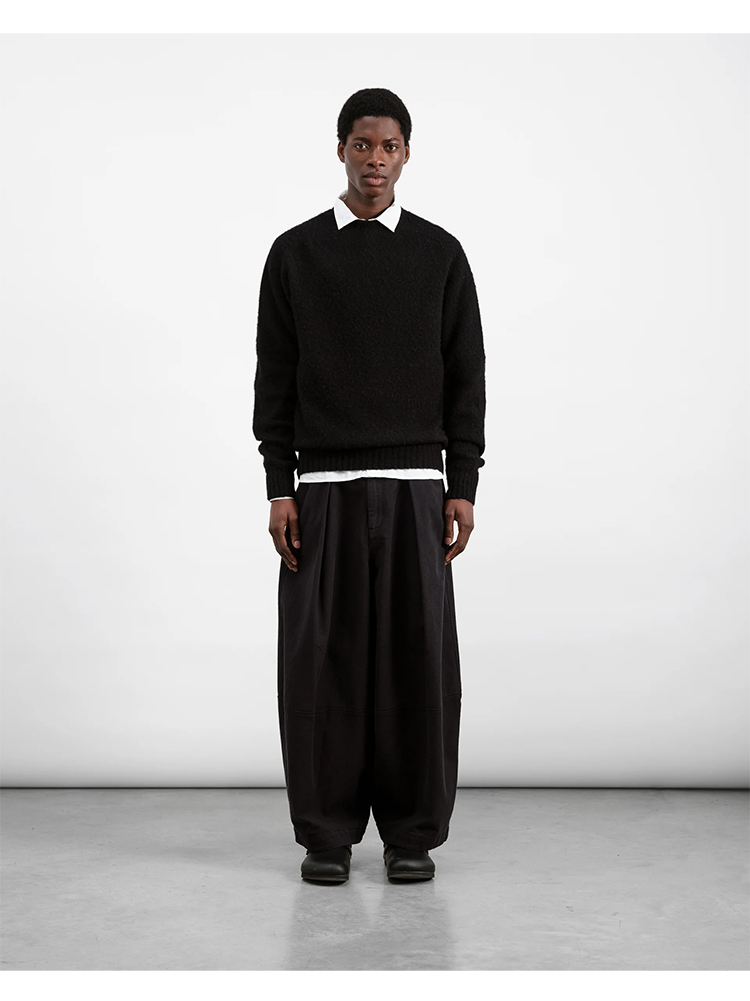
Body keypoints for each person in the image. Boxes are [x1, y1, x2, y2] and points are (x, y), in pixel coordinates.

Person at [252, 87, 486, 884]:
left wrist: (463, 483)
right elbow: (275, 377)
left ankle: (412, 834)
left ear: (407, 153)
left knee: (417, 665)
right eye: (362, 144)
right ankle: (326, 834)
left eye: (389, 146)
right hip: (323, 487)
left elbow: (466, 376)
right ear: (341, 150)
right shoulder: (295, 253)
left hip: (418, 487)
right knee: (322, 664)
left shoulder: (439, 254)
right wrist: (279, 486)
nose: (375, 160)